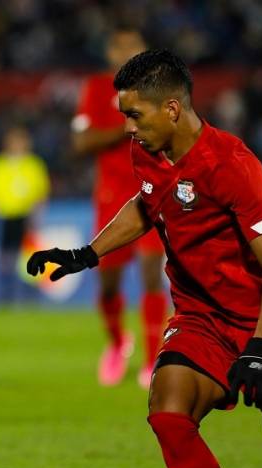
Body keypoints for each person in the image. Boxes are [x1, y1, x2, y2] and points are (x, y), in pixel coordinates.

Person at [28, 49, 262, 468]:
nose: (127, 128)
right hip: (200, 319)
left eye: (134, 115)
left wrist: (260, 348)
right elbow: (145, 204)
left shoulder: (232, 165)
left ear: (172, 109)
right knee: (167, 413)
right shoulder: (150, 152)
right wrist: (85, 254)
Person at [72, 27, 167, 389]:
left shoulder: (160, 88)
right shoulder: (96, 89)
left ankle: (151, 358)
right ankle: (116, 343)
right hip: (111, 198)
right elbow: (81, 142)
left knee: (150, 275)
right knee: (109, 285)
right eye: (120, 47)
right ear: (110, 53)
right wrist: (126, 128)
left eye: (134, 47)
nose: (127, 53)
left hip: (152, 193)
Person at [0, 125, 50, 305]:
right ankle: (5, 298)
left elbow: (41, 193)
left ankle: (30, 299)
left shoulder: (34, 164)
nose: (18, 145)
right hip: (3, 217)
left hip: (26, 217)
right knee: (5, 260)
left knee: (29, 260)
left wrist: (37, 215)